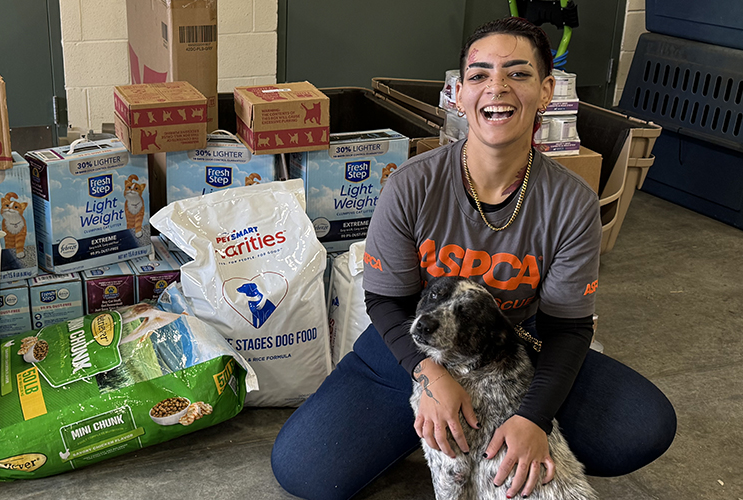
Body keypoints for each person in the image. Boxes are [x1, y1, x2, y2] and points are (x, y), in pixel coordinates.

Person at [271, 17, 676, 500]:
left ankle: (469, 428)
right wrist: (429, 377)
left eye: (518, 73)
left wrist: (532, 417)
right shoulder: (412, 185)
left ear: (546, 91)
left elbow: (569, 327)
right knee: (305, 469)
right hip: (416, 342)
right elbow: (383, 299)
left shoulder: (571, 202)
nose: (497, 87)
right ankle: (425, 424)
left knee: (641, 426)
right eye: (480, 75)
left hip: (514, 351)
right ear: (459, 94)